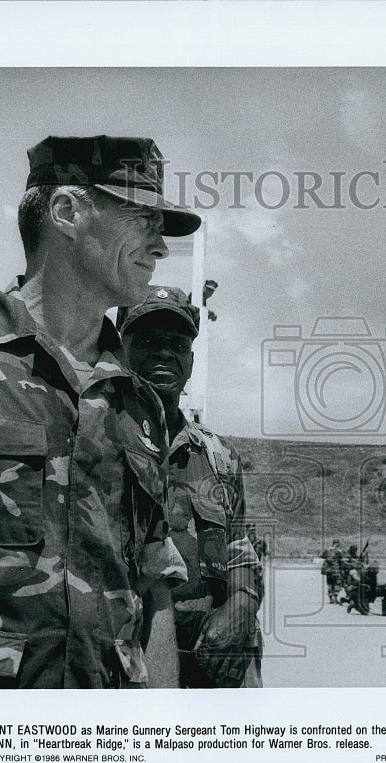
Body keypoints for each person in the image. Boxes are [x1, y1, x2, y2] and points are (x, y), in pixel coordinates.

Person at [0, 135, 200, 688]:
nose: (160, 247)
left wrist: (160, 739)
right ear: (67, 211)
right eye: (142, 219)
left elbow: (153, 583)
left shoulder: (138, 403)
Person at [118, 286, 263, 688]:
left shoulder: (217, 455)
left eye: (177, 344)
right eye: (146, 341)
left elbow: (242, 550)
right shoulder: (99, 444)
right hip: (129, 660)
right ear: (118, 350)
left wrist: (242, 602)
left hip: (214, 661)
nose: (163, 352)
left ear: (190, 361)